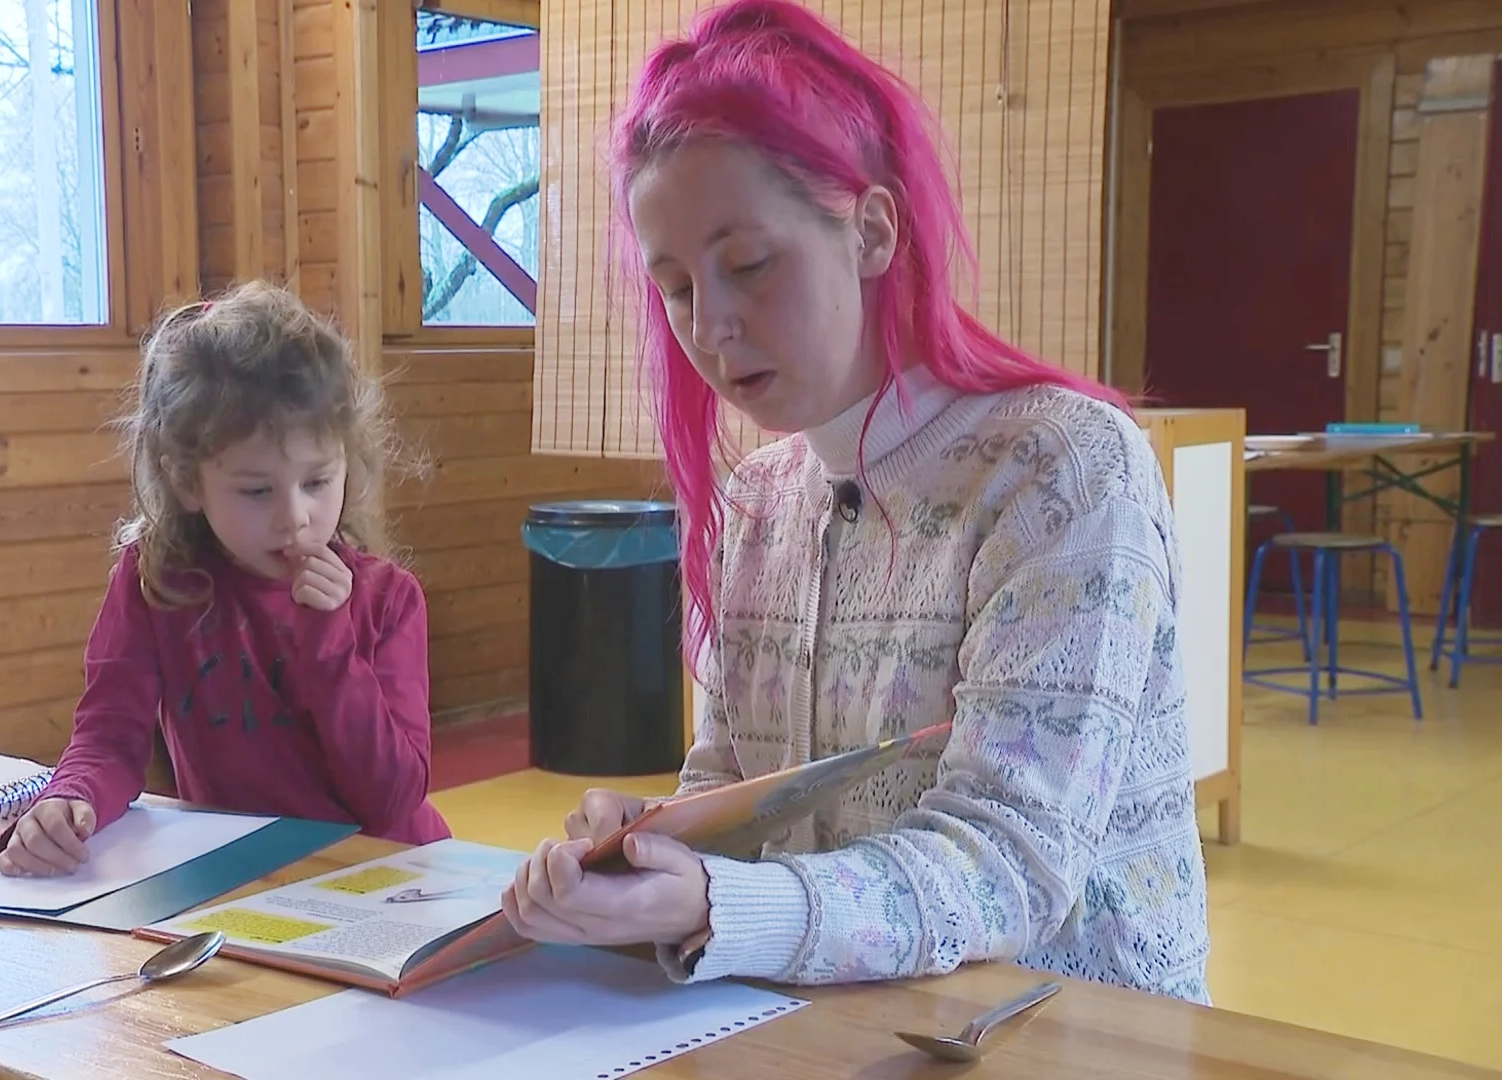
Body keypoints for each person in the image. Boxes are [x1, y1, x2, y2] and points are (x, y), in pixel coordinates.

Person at [501, 0, 1211, 1004]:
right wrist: (656, 850)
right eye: (677, 286)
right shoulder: (759, 501)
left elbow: (1009, 862)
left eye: (749, 264)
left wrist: (715, 902)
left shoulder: (1061, 471)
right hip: (835, 1023)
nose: (712, 324)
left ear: (872, 229)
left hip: (1070, 1032)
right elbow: (733, 787)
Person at [0, 281, 450, 876]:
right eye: (256, 491)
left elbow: (391, 799)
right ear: (187, 482)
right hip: (254, 879)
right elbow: (110, 736)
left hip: (390, 877)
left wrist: (329, 644)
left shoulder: (387, 600)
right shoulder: (156, 583)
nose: (295, 516)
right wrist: (70, 797)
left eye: (318, 481)